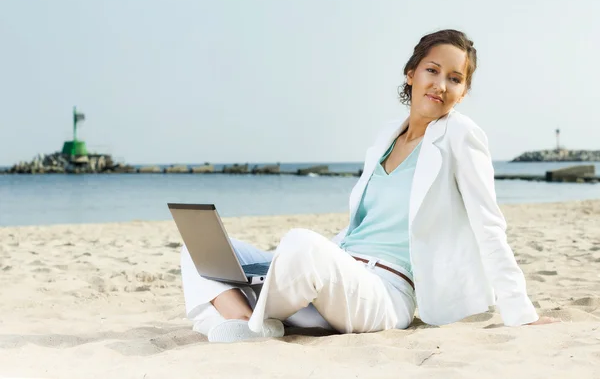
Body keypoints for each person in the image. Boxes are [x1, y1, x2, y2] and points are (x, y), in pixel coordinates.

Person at [180, 29, 557, 343]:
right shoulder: (384, 139)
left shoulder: (461, 136)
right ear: (411, 74)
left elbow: (489, 225)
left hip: (385, 292)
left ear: (463, 93)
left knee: (300, 242)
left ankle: (240, 322)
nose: (441, 85)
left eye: (455, 79)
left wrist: (520, 311)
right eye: (432, 70)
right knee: (200, 245)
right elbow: (360, 225)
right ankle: (246, 321)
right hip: (341, 271)